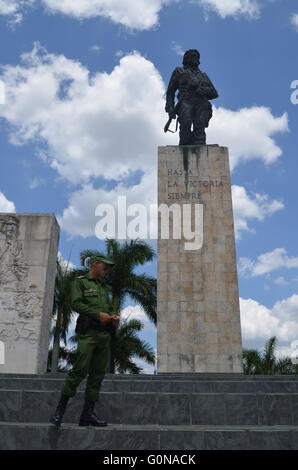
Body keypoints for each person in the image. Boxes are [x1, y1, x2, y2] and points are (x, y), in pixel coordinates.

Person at [49, 253, 120, 427]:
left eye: (108, 268)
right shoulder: (81, 282)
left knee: (97, 376)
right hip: (88, 334)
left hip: (104, 335)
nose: (107, 270)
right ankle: (60, 411)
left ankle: (87, 415)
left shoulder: (104, 287)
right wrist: (97, 314)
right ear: (95, 264)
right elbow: (76, 303)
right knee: (79, 370)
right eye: (105, 267)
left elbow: (106, 308)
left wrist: (113, 317)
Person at [165, 49, 218, 146]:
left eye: (197, 57)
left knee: (200, 124)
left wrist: (199, 89)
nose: (195, 58)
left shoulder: (203, 76)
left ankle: (199, 143)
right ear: (186, 59)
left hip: (201, 103)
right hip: (185, 101)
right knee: (185, 122)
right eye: (193, 56)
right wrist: (170, 108)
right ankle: (185, 144)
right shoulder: (179, 71)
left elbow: (214, 93)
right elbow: (170, 92)